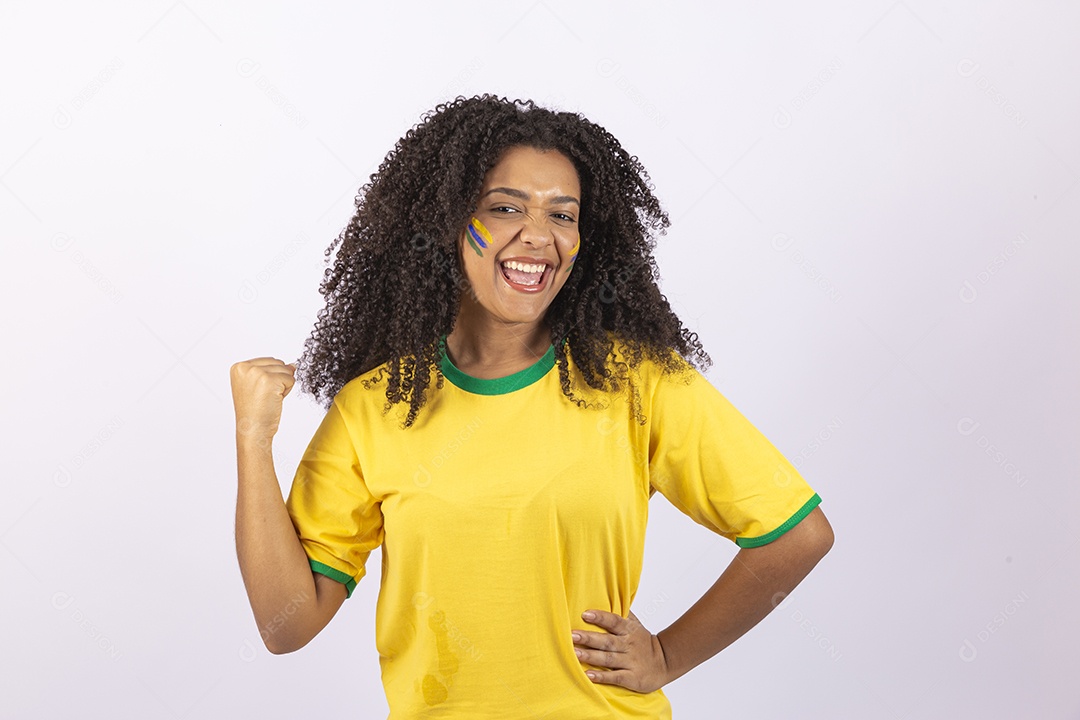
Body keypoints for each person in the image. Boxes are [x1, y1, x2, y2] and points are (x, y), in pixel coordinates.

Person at [230, 94, 834, 718]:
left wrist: (667, 655)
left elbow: (796, 536)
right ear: (447, 221)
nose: (538, 236)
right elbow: (287, 625)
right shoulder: (376, 406)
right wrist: (253, 440)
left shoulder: (635, 383)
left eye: (563, 216)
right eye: (505, 208)